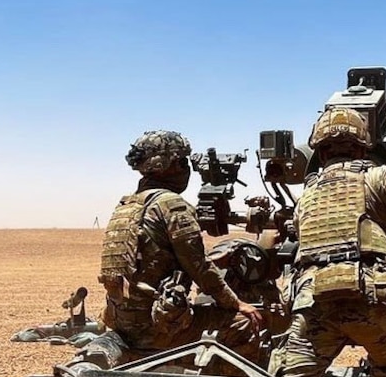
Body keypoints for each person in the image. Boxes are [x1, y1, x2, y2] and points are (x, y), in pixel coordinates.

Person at [268, 107, 386, 377]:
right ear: (364, 147)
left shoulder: (307, 194)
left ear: (321, 154)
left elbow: (298, 233)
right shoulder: (381, 176)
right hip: (376, 298)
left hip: (315, 303)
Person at [99, 131, 265, 361]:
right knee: (244, 323)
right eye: (182, 162)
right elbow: (199, 268)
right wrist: (236, 303)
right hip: (155, 327)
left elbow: (149, 261)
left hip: (122, 321)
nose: (186, 168)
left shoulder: (127, 205)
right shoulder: (171, 204)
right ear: (170, 165)